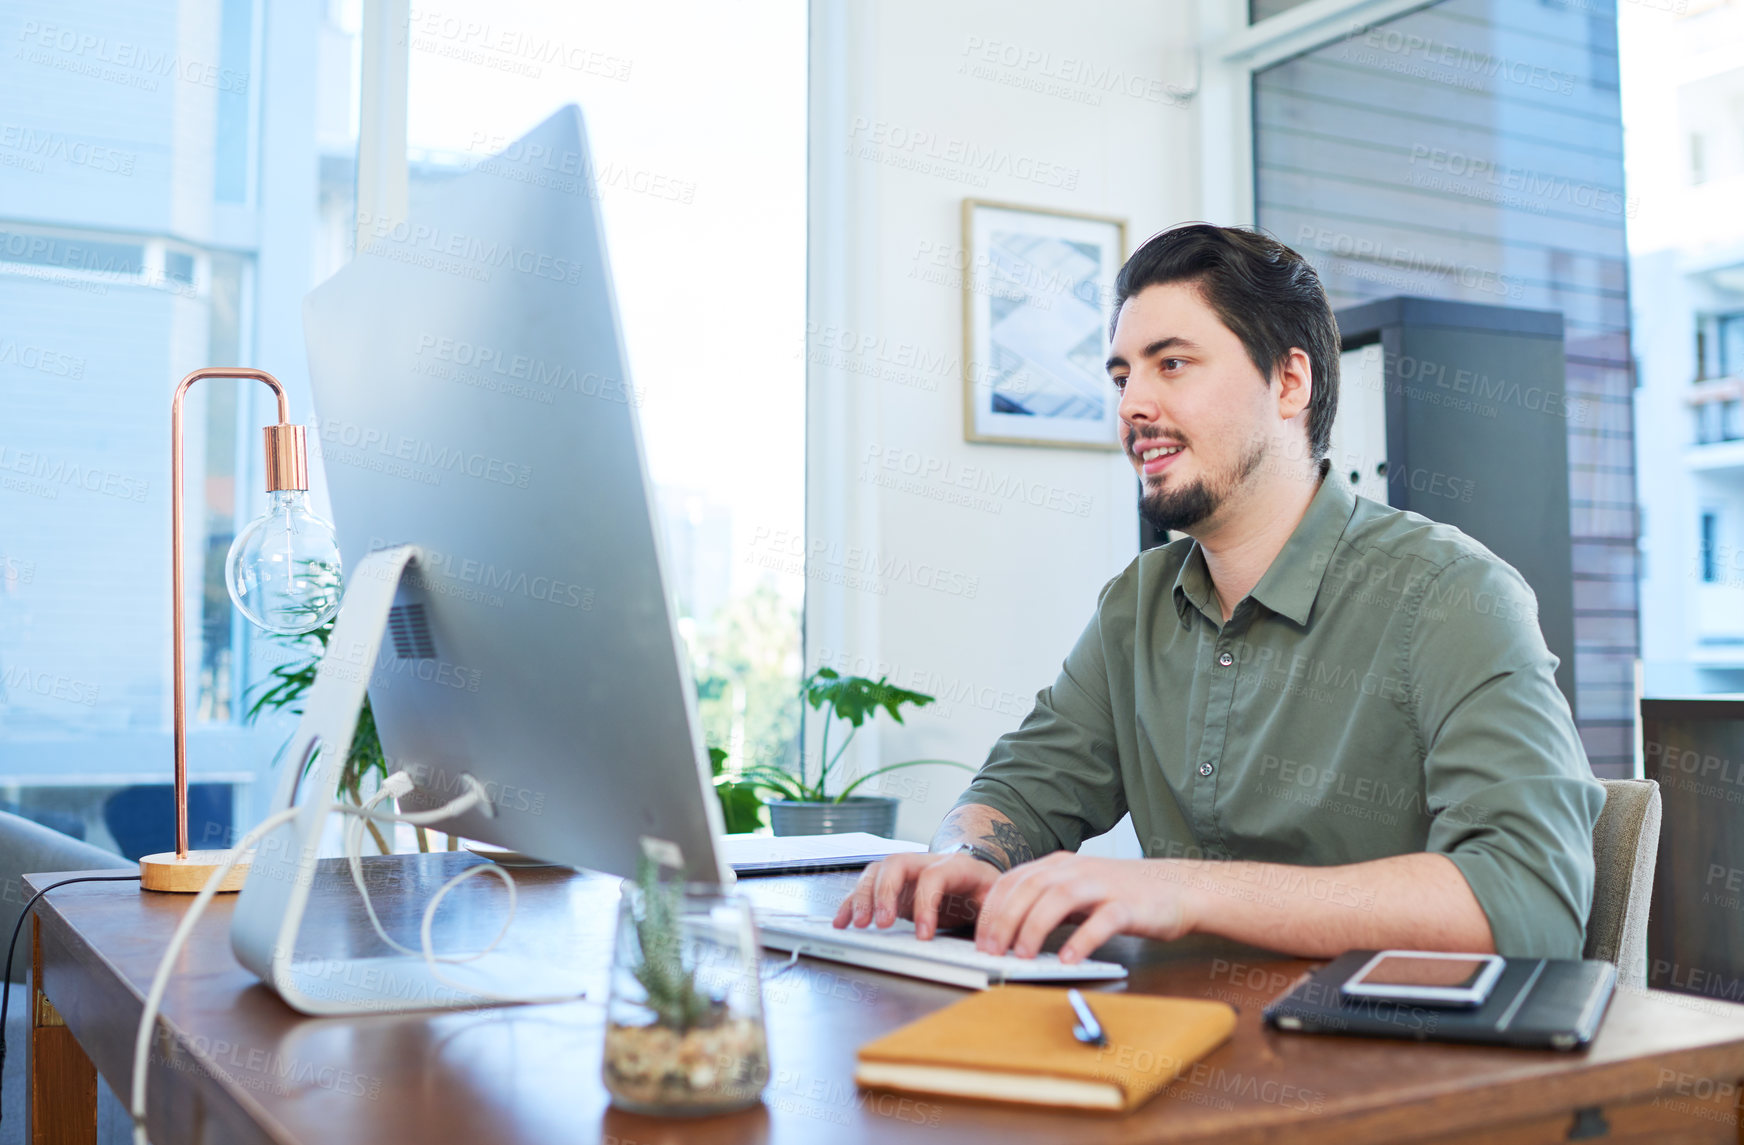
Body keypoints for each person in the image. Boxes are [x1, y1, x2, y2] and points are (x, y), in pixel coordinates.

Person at [834, 223, 1603, 963]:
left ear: (1289, 380)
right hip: (1174, 1047)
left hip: (1388, 1069)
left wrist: (1180, 889)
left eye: (1172, 364)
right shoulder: (1136, 604)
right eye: (1121, 374)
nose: (1133, 404)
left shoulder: (1451, 594)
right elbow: (1021, 791)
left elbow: (1527, 900)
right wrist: (966, 858)